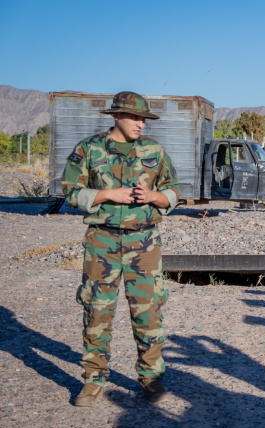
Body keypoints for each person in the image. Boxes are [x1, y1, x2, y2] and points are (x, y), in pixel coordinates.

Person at [61, 91, 179, 407]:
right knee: (97, 311)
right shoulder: (89, 148)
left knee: (148, 312)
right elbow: (70, 191)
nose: (141, 124)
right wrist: (108, 194)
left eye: (144, 119)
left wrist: (153, 197)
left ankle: (151, 379)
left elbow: (173, 192)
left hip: (144, 242)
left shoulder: (154, 150)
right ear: (116, 116)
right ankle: (93, 380)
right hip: (102, 241)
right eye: (135, 117)